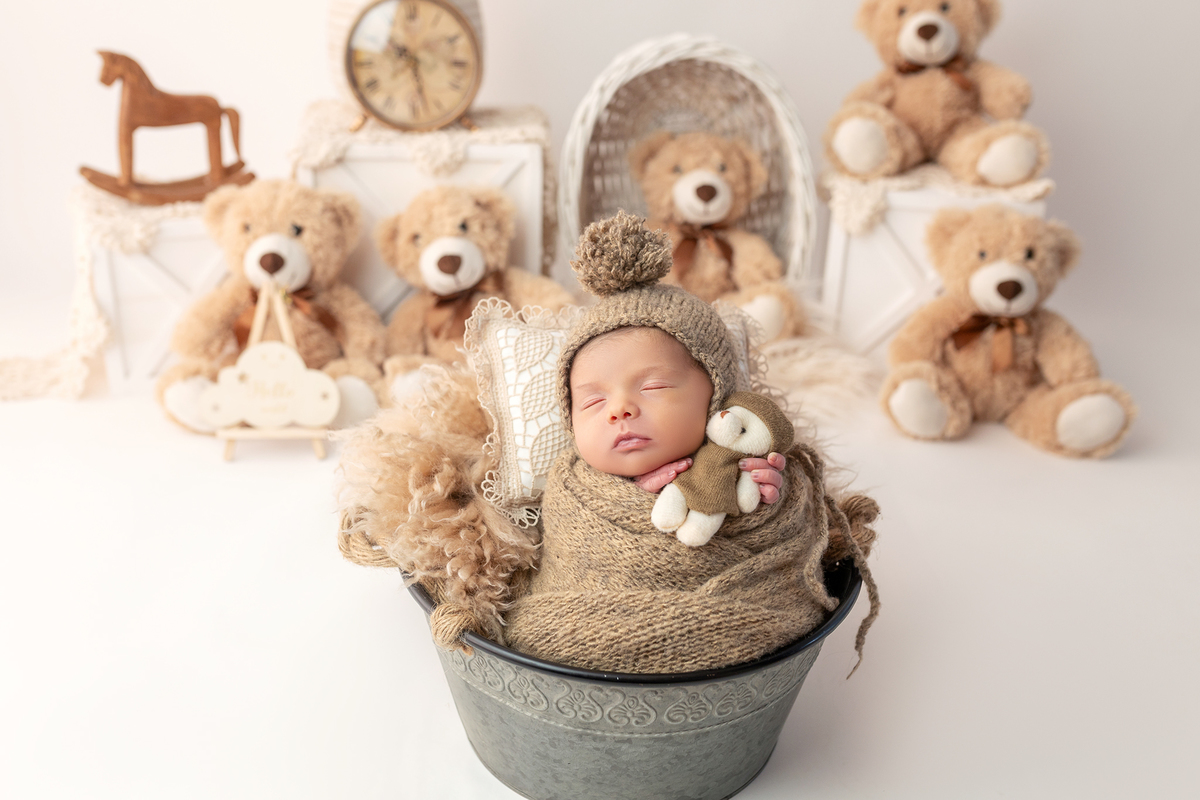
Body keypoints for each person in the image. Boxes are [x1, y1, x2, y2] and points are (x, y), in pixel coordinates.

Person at [568, 324, 786, 503]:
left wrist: (767, 493)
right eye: (593, 401)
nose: (618, 410)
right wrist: (630, 499)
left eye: (653, 387)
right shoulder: (573, 490)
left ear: (715, 394)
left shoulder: (744, 458)